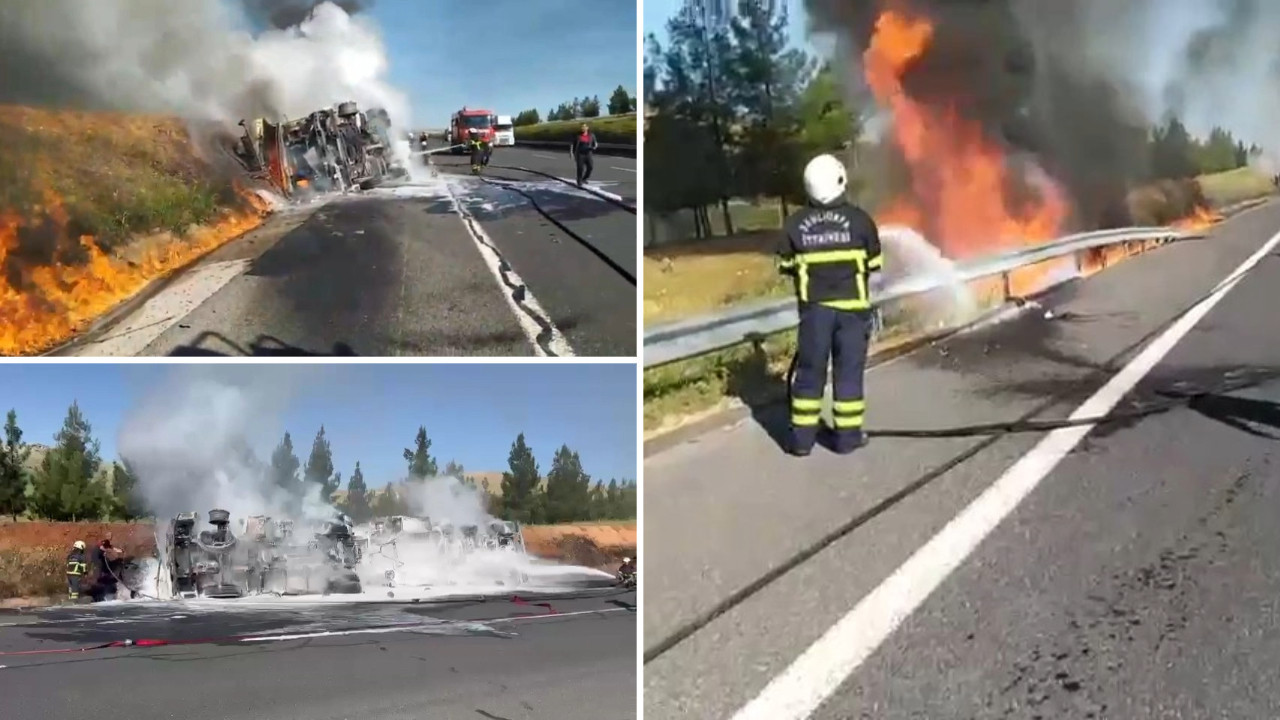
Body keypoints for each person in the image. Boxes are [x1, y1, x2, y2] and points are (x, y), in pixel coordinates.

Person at [775, 153, 883, 457]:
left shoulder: (794, 225)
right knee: (848, 375)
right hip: (852, 312)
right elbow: (874, 263)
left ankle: (800, 442)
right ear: (840, 181)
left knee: (809, 375)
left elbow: (786, 267)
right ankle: (847, 439)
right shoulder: (861, 221)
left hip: (814, 314)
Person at [91, 535, 122, 602]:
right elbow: (106, 549)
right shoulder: (99, 549)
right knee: (102, 581)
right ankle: (100, 596)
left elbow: (111, 548)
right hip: (99, 568)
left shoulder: (101, 548)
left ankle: (104, 595)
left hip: (100, 567)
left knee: (105, 580)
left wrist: (118, 550)